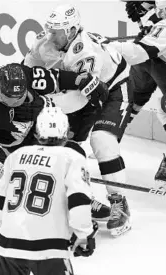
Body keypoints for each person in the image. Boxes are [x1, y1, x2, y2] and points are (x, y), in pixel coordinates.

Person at [24, 4, 133, 236]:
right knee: (65, 144)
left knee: (102, 140)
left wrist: (40, 105)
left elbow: (78, 101)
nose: (51, 36)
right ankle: (83, 196)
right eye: (50, 30)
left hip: (112, 88)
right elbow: (27, 72)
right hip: (82, 93)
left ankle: (119, 202)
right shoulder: (44, 42)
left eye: (58, 31)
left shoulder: (85, 54)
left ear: (72, 30)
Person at [0, 62, 111, 220]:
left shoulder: (22, 73)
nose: (16, 103)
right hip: (0, 144)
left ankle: (82, 198)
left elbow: (54, 78)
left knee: (73, 151)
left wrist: (80, 80)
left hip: (28, 131)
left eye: (20, 97)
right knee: (22, 170)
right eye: (10, 99)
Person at [0, 106, 98, 275]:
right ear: (67, 133)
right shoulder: (72, 157)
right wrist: (83, 233)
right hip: (50, 247)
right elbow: (79, 200)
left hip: (8, 244)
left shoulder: (16, 156)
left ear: (37, 133)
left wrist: (9, 229)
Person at [112, 0, 166, 183]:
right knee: (131, 99)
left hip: (153, 53)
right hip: (150, 57)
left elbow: (141, 51)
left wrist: (106, 47)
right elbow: (160, 12)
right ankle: (109, 142)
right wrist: (148, 11)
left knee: (164, 107)